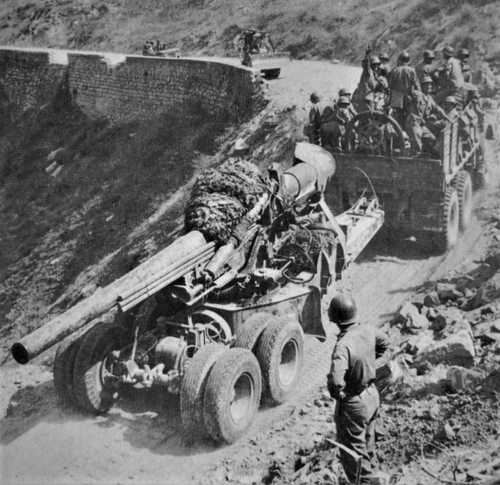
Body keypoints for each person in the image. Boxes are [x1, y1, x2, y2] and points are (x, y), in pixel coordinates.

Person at [326, 294, 389, 484]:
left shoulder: (343, 345)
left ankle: (371, 482)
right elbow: (385, 343)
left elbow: (336, 381)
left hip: (354, 403)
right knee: (368, 444)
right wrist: (371, 364)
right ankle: (375, 475)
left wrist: (341, 394)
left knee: (352, 454)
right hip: (372, 396)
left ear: (335, 318)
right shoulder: (368, 330)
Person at [388, 51, 420, 126]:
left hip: (397, 97)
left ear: (399, 60)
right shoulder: (412, 70)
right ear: (408, 61)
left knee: (398, 115)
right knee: (408, 115)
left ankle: (398, 132)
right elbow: (416, 85)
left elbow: (390, 85)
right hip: (409, 96)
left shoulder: (395, 70)